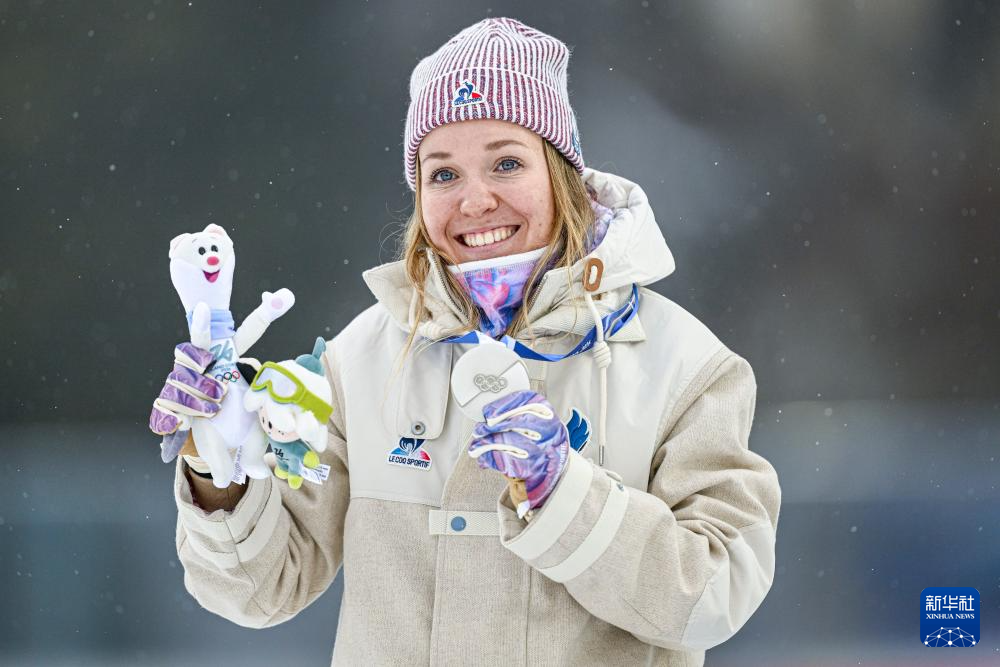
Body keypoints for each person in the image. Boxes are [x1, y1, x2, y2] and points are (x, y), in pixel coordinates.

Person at [152, 17, 781, 666]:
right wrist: (218, 466)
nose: (475, 200)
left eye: (506, 163)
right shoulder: (361, 359)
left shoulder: (686, 367)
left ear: (561, 173)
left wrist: (565, 492)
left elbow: (716, 594)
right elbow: (260, 592)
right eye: (443, 174)